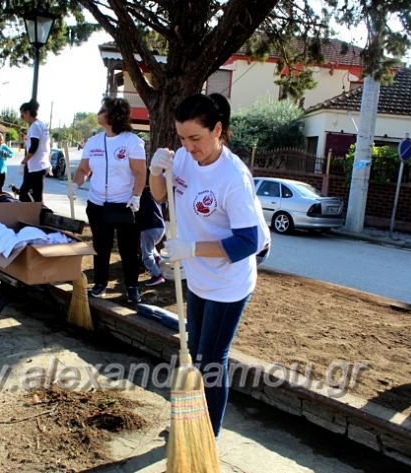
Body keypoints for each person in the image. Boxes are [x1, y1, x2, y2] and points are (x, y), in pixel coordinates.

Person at [149, 93, 271, 438]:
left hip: (228, 284)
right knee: (194, 355)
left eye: (196, 138)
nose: (188, 147)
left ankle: (205, 437)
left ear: (218, 130)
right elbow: (159, 194)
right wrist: (157, 169)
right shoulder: (185, 159)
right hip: (198, 276)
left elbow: (249, 242)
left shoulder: (233, 178)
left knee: (212, 361)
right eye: (182, 138)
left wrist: (191, 248)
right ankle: (190, 426)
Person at [72, 97, 146, 304]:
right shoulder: (94, 142)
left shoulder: (132, 141)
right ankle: (100, 284)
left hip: (124, 204)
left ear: (114, 115)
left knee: (129, 250)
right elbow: (84, 169)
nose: (98, 112)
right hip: (97, 205)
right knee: (101, 247)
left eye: (102, 109)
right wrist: (76, 184)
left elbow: (140, 173)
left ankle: (132, 287)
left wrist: (136, 196)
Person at [18, 100, 50, 202]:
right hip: (40, 165)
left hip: (36, 166)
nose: (22, 117)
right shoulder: (42, 125)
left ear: (27, 112)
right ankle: (35, 214)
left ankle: (34, 215)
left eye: (22, 114)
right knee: (36, 194)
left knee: (25, 193)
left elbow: (34, 146)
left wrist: (24, 161)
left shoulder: (35, 126)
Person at [137, 183, 166, 286]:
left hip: (149, 227)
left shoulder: (139, 194)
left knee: (146, 254)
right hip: (161, 227)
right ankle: (158, 260)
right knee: (151, 246)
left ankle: (157, 275)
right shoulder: (154, 191)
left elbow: (136, 210)